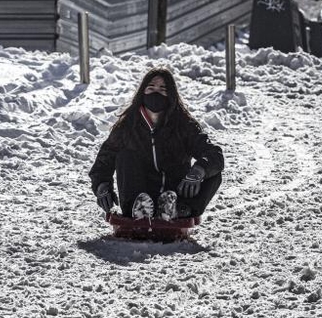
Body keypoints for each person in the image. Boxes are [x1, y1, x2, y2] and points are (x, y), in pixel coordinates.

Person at [89, 67, 223, 221]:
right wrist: (102, 186)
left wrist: (199, 171)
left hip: (175, 195)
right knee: (125, 156)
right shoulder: (128, 126)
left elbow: (214, 154)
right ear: (143, 92)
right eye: (151, 88)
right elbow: (104, 160)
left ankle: (178, 210)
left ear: (170, 94)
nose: (156, 93)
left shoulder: (184, 125)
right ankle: (139, 209)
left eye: (162, 89)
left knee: (213, 172)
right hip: (140, 194)